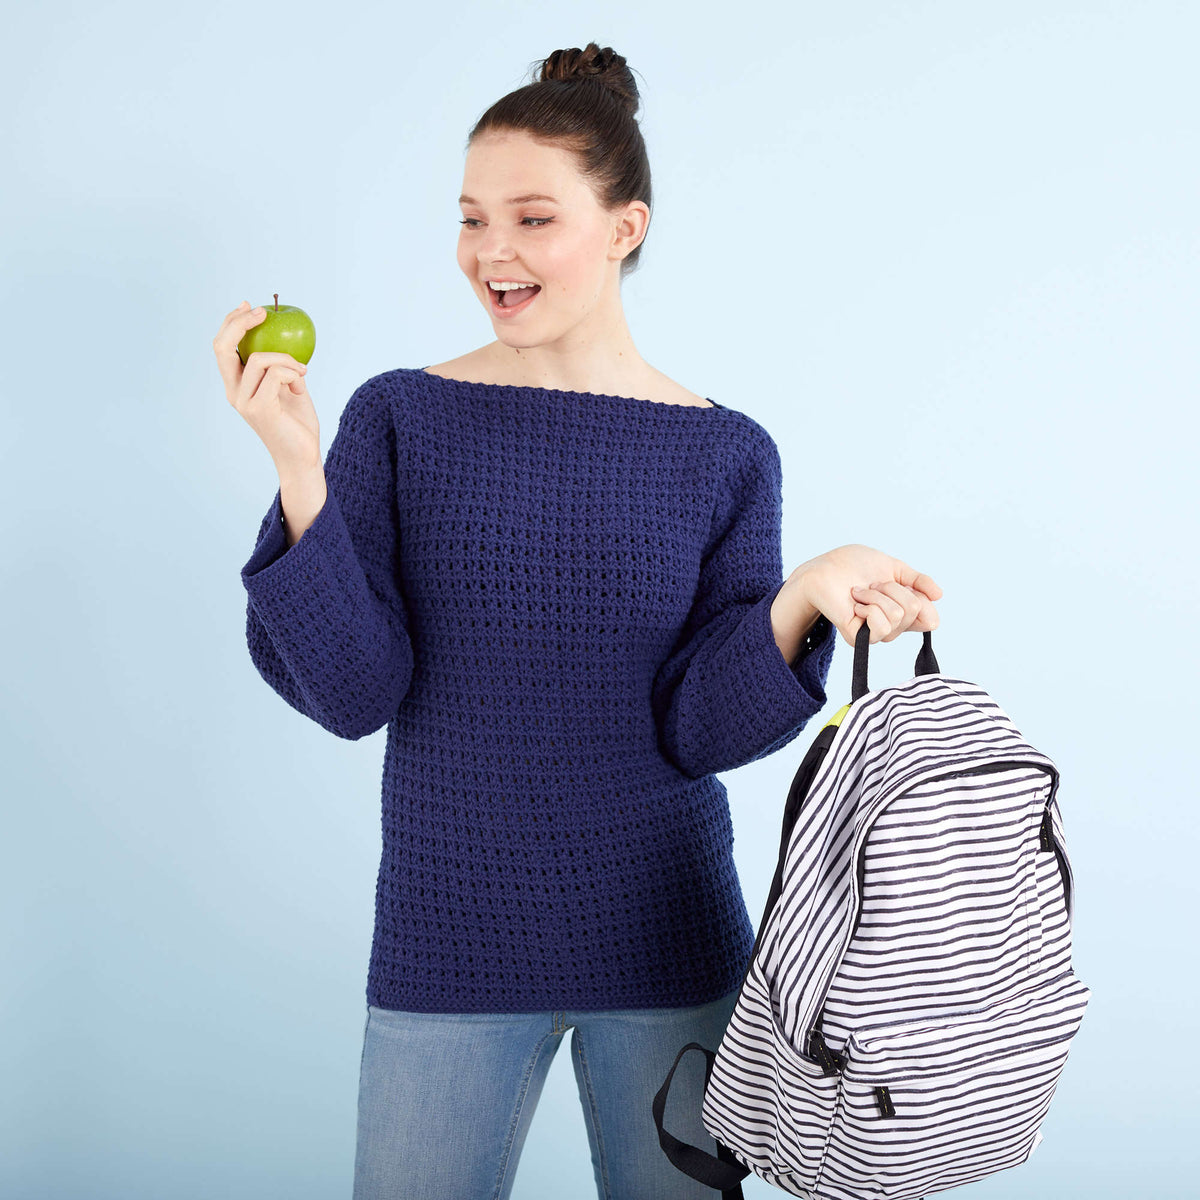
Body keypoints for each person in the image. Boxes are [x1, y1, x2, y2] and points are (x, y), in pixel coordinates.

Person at [212, 41, 942, 1200]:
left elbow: (701, 730)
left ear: (624, 227)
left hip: (670, 943)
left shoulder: (725, 453)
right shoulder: (398, 418)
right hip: (447, 942)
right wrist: (300, 471)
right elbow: (353, 695)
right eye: (471, 220)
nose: (490, 251)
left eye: (533, 219)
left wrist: (801, 597)